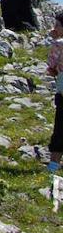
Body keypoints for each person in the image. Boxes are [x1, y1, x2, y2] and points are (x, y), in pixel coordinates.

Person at [47, 11, 63, 174]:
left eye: (58, 25)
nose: (55, 28)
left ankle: (53, 167)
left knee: (60, 128)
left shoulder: (58, 44)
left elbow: (51, 67)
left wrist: (53, 39)